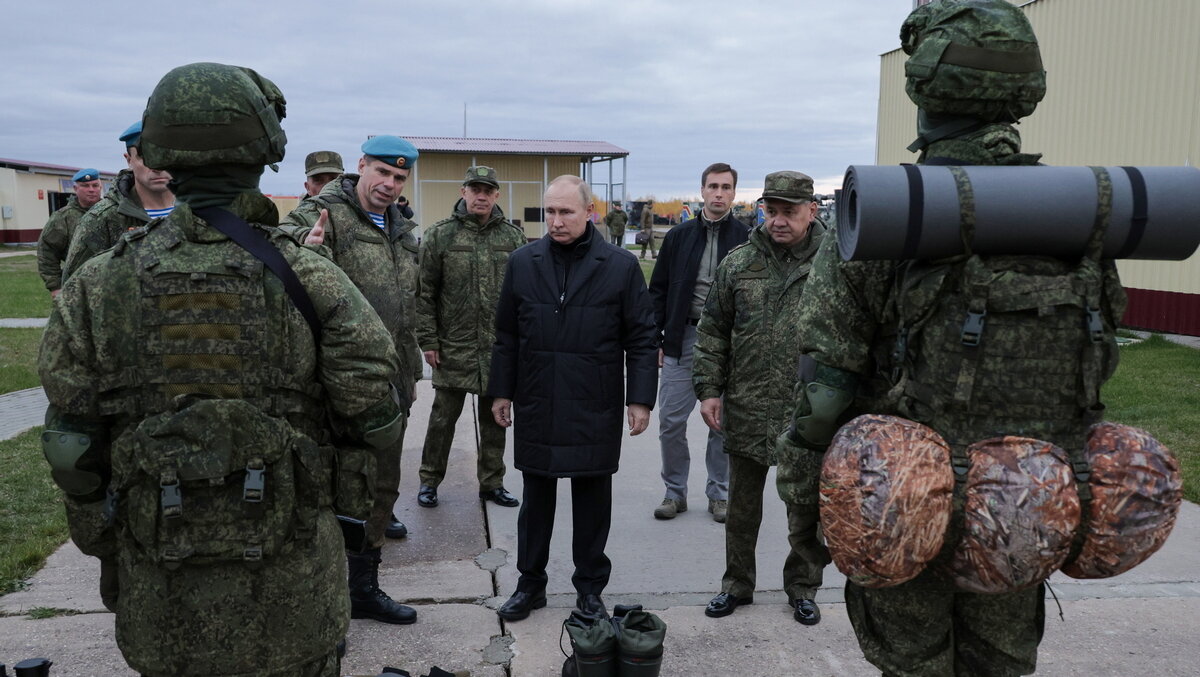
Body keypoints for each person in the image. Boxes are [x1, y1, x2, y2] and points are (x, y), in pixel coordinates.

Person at [780, 1, 1124, 673]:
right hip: (1024, 505)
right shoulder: (1077, 217)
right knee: (1002, 662)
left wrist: (807, 517)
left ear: (924, 86)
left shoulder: (887, 217)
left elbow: (822, 397)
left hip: (900, 510)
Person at [38, 62, 402, 677]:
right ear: (265, 150)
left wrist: (111, 540)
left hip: (162, 591)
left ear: (158, 151)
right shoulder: (310, 278)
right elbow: (374, 416)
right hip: (294, 593)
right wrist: (344, 514)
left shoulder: (99, 286)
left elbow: (71, 446)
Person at [488, 175, 658, 622]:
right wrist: (502, 391)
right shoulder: (523, 262)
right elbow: (506, 334)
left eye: (566, 212)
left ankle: (589, 590)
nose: (556, 221)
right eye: (550, 212)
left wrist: (640, 399)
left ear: (589, 213)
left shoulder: (619, 266)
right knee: (536, 500)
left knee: (591, 502)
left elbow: (641, 338)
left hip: (594, 401)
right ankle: (530, 585)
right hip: (539, 399)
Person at [282, 135, 423, 624]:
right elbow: (277, 257)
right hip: (331, 389)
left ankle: (363, 588)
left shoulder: (403, 229)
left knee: (380, 490)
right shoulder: (324, 214)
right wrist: (302, 252)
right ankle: (322, 606)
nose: (389, 184)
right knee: (323, 495)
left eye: (399, 177)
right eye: (382, 172)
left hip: (391, 384)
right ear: (361, 165)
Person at [692, 171, 830, 625]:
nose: (779, 220)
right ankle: (737, 583)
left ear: (812, 210)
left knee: (804, 508)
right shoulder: (739, 263)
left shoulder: (835, 264)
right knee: (742, 507)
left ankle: (803, 586)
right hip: (748, 403)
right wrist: (709, 391)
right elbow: (712, 332)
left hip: (809, 410)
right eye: (772, 211)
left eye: (790, 211)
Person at [415, 166, 525, 509]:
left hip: (497, 349)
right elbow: (424, 292)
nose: (481, 195)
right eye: (474, 189)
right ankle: (429, 481)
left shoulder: (512, 238)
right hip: (453, 346)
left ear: (496, 195)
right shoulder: (439, 236)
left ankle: (492, 483)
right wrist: (428, 340)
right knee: (442, 419)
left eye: (487, 190)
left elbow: (524, 295)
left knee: (495, 419)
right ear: (463, 192)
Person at [647, 163, 748, 522]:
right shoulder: (679, 236)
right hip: (682, 337)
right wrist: (657, 337)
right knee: (671, 421)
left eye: (725, 187)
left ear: (734, 193)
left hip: (730, 343)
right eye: (712, 186)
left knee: (721, 421)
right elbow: (657, 291)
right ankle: (675, 492)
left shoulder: (749, 238)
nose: (719, 193)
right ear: (702, 191)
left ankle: (719, 493)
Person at [62, 121, 175, 281]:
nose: (157, 166)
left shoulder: (202, 212)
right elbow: (75, 289)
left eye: (165, 153)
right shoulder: (102, 219)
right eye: (146, 155)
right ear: (129, 160)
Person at [38, 167, 103, 295]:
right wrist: (55, 286)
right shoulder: (62, 218)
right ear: (75, 189)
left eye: (95, 185)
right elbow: (47, 252)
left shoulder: (113, 213)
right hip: (76, 286)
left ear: (100, 188)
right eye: (85, 185)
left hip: (110, 283)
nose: (91, 189)